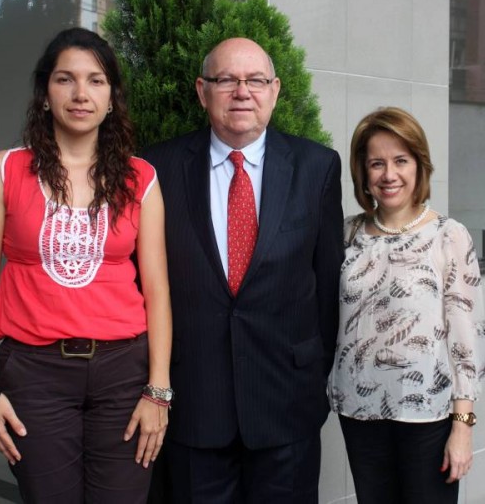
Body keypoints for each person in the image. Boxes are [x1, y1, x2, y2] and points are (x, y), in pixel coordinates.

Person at [0, 27, 172, 503]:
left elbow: (158, 291)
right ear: (45, 94)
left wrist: (157, 391)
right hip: (33, 374)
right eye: (66, 79)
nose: (81, 93)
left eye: (96, 81)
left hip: (125, 373)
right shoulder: (4, 170)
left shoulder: (142, 179)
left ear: (112, 97)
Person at [144, 37, 344, 502]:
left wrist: (312, 375)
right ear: (202, 90)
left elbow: (328, 285)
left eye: (255, 80)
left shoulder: (316, 167)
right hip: (194, 405)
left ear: (274, 90)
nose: (242, 92)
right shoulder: (158, 167)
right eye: (226, 80)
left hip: (286, 404)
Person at [328, 106, 485, 503]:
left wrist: (462, 426)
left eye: (400, 160)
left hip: (427, 416)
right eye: (376, 163)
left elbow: (467, 337)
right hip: (358, 410)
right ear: (362, 173)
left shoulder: (448, 236)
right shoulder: (345, 234)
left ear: (419, 165)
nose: (388, 174)